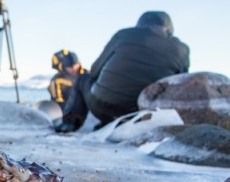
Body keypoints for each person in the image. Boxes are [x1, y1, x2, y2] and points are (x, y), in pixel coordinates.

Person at [56, 11, 190, 133]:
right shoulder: (182, 50)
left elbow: (95, 71)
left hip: (102, 106)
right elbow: (178, 86)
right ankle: (117, 125)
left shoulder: (124, 35)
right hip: (142, 113)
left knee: (82, 78)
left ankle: (69, 123)